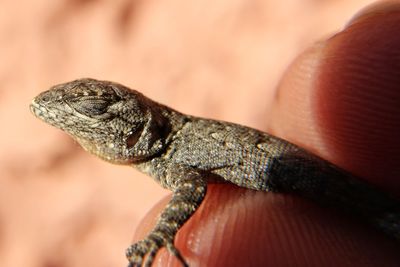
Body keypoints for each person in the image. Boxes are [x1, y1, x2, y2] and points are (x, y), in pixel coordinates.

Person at [133, 2, 400, 266]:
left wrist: (162, 232)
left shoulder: (170, 152)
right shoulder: (166, 153)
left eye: (97, 110)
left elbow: (192, 186)